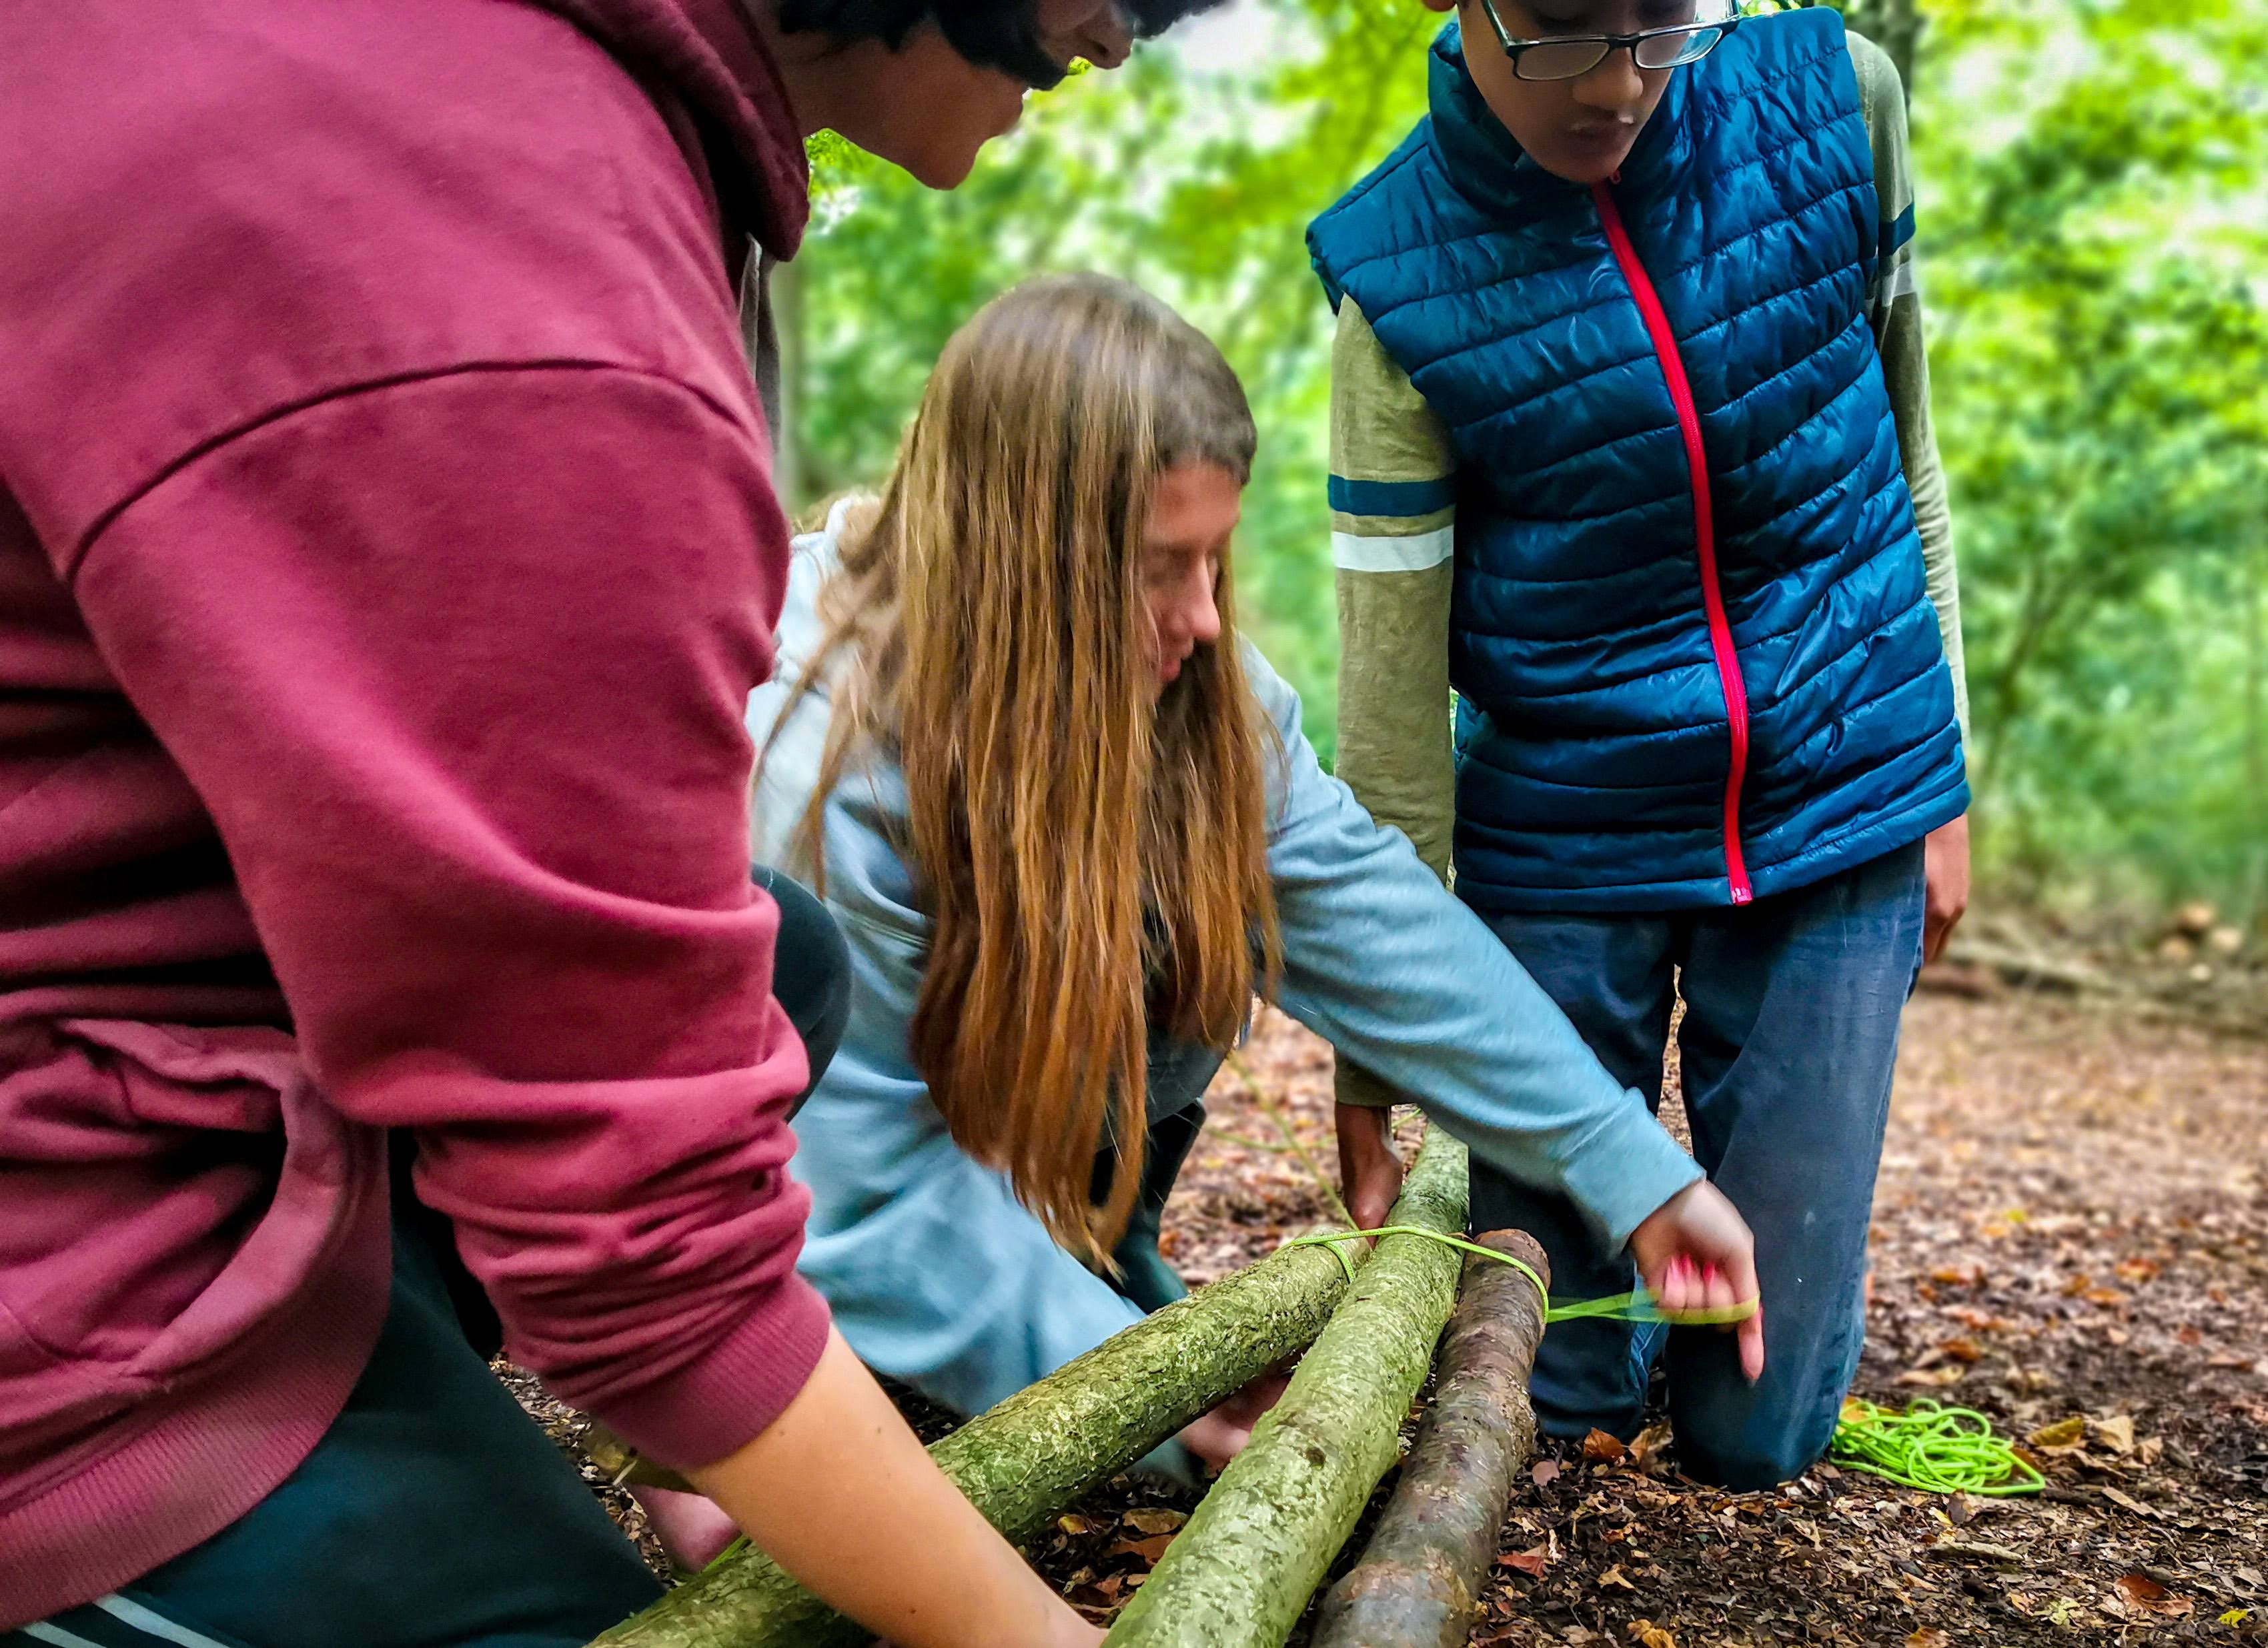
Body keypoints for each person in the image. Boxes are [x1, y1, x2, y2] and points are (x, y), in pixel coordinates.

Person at [0, 5, 1214, 1647]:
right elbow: (653, 1225)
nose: (1130, 36)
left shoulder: (545, 129)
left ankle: (380, 1347)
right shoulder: (516, 294)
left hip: (189, 1022)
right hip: (56, 1247)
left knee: (770, 958)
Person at [746, 273, 1763, 1487]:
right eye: (1162, 567)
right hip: (810, 1152)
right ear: (1024, 567)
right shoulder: (816, 762)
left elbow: (1361, 912)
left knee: (1196, 926)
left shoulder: (1186, 685)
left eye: (1213, 562)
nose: (1208, 619)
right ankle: (907, 1326)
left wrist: (1629, 1165)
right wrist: (1143, 1395)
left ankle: (1089, 1236)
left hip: (985, 1116)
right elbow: (858, 1180)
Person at [1312, 0, 1972, 1489]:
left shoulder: (1837, 102)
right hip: (1560, 835)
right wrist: (1375, 1043)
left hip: (1839, 796)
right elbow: (1392, 706)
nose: (1612, 86)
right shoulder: (1389, 278)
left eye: (1654, 27)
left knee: (1752, 1433)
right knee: (1543, 1394)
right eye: (1555, 32)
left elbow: (1906, 454)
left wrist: (1941, 779)